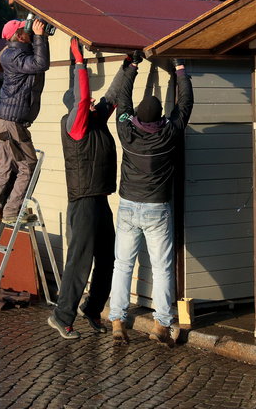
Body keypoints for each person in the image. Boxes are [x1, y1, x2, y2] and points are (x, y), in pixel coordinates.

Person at [108, 54, 193, 346]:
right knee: (162, 268)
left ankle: (118, 321)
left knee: (122, 265)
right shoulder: (169, 133)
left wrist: (132, 66)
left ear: (137, 119)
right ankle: (161, 326)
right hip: (158, 208)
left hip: (129, 206)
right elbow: (185, 105)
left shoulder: (126, 131)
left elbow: (123, 100)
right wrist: (180, 70)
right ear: (160, 118)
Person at [47, 38, 124, 340]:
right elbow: (82, 98)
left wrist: (130, 65)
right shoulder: (74, 124)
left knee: (107, 259)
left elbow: (113, 96)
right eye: (86, 101)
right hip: (82, 203)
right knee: (80, 261)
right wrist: (79, 60)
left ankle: (91, 309)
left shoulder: (96, 119)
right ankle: (61, 316)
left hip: (99, 199)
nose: (92, 102)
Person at [0, 17, 51, 238]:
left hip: (6, 121)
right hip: (13, 122)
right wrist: (41, 37)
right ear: (18, 36)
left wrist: (38, 13)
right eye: (27, 32)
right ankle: (12, 211)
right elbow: (40, 64)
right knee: (28, 165)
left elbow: (37, 60)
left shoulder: (14, 52)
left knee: (5, 171)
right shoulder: (15, 55)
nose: (30, 33)